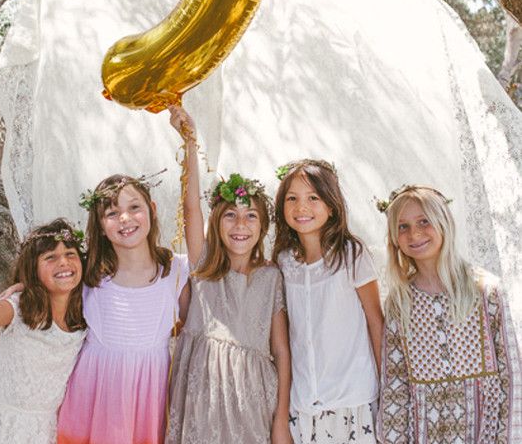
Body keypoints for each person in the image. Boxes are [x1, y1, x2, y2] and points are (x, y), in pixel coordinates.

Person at [167, 105, 292, 444]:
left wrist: (281, 419)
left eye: (251, 216)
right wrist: (190, 143)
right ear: (216, 224)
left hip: (251, 399)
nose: (240, 225)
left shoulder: (271, 278)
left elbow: (281, 351)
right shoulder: (205, 266)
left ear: (263, 227)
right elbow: (191, 206)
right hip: (201, 396)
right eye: (230, 216)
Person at [377, 184, 522, 443]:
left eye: (424, 221)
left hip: (484, 434)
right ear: (394, 238)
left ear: (444, 222)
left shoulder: (485, 290)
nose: (415, 233)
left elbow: (511, 376)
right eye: (403, 226)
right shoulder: (399, 303)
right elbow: (394, 386)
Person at [57, 173, 190, 444]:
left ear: (151, 210)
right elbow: (46, 286)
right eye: (112, 213)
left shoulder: (176, 271)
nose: (125, 219)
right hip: (96, 395)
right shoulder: (88, 275)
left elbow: (189, 326)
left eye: (134, 208)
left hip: (150, 397)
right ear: (100, 224)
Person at [273, 159, 383, 444]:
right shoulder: (285, 263)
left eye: (313, 198)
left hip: (352, 399)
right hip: (305, 403)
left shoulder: (351, 254)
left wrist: (390, 388)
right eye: (292, 198)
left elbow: (375, 320)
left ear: (331, 206)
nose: (302, 207)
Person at [0, 218, 86, 444]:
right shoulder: (19, 308)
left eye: (70, 254)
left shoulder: (86, 311)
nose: (63, 262)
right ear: (32, 269)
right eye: (50, 257)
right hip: (1, 426)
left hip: (46, 430)